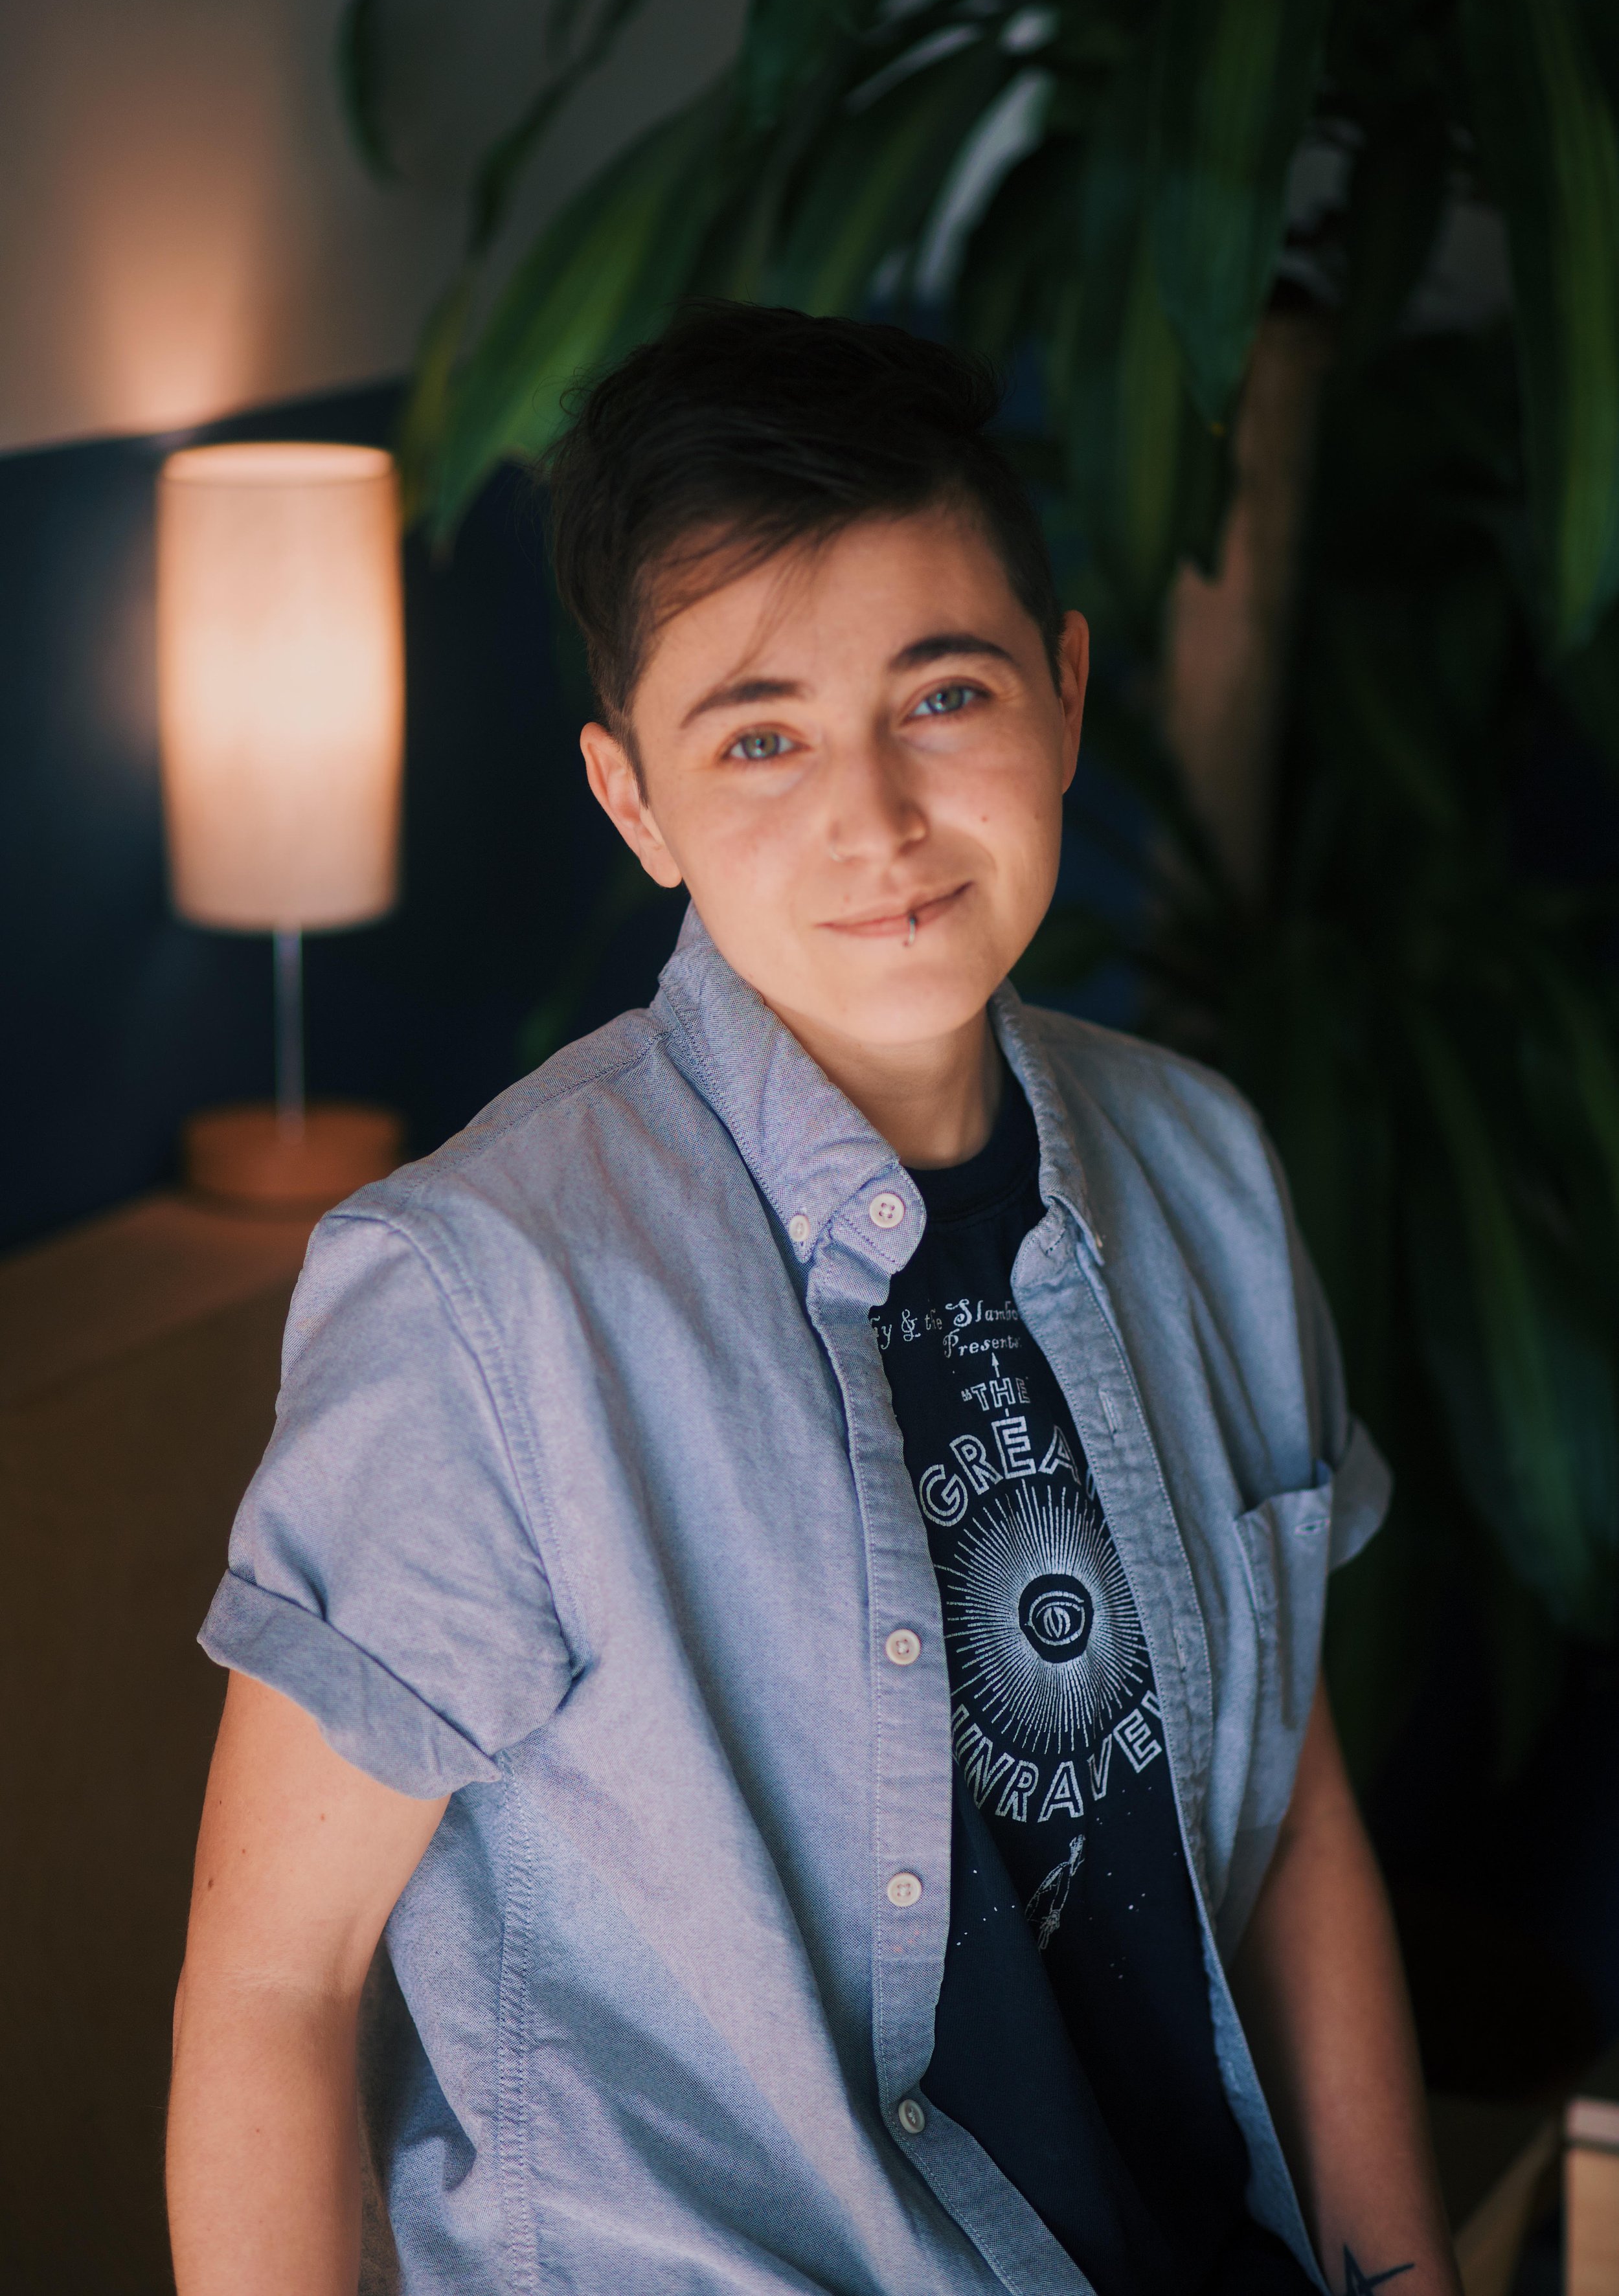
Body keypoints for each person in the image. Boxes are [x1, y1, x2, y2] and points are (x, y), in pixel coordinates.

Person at [166, 306, 1460, 2296]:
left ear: (1063, 692)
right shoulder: (479, 1296)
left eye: (941, 696)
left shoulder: (1201, 1169)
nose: (875, 818)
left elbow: (1287, 1829)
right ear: (632, 801)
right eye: (758, 737)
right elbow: (275, 1987)